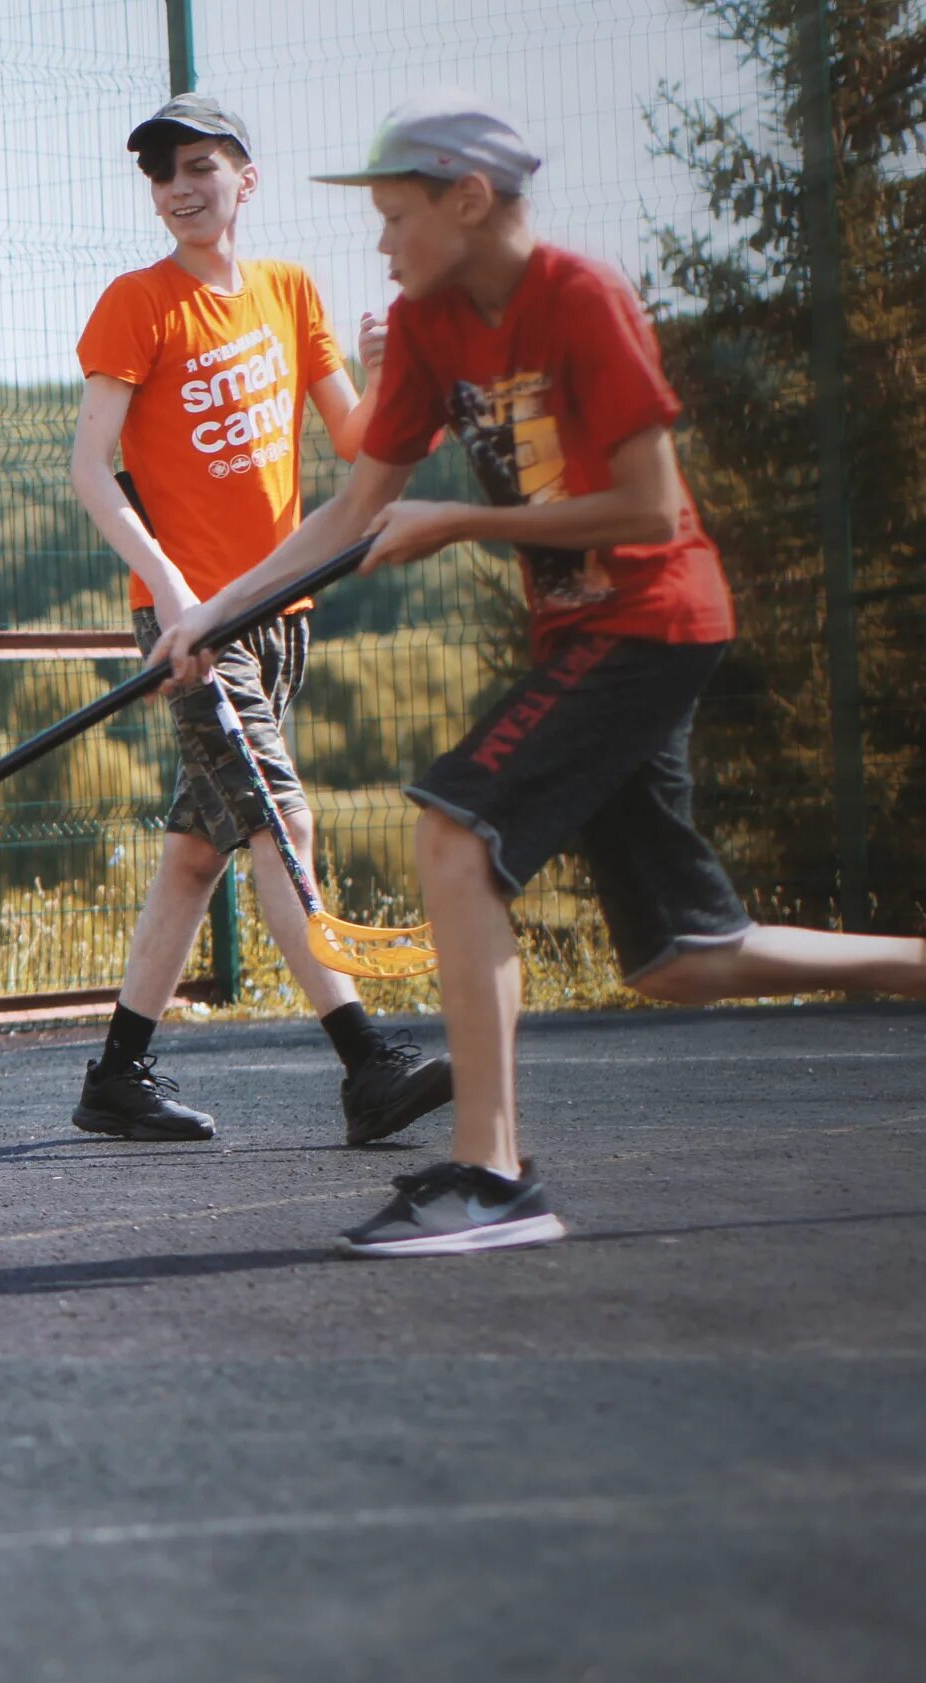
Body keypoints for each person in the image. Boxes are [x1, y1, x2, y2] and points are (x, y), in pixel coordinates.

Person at [155, 96, 926, 1256]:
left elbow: (652, 509)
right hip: (581, 638)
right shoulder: (424, 325)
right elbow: (358, 506)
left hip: (656, 617)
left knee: (452, 833)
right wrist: (212, 614)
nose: (380, 244)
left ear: (469, 200)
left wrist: (460, 518)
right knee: (681, 959)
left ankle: (493, 1176)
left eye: (397, 216)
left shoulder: (581, 300)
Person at [68, 93, 450, 1147]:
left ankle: (117, 1075)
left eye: (200, 165)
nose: (181, 188)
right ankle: (367, 1063)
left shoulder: (289, 292)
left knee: (202, 848)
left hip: (282, 611)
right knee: (284, 818)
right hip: (191, 626)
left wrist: (389, 370)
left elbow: (359, 444)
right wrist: (172, 594)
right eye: (162, 175)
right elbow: (90, 471)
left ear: (248, 176)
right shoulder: (136, 304)